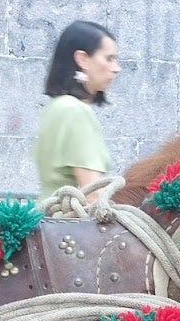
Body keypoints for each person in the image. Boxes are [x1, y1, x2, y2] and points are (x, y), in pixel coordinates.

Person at [33, 20, 121, 199]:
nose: (116, 68)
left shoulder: (57, 106)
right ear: (82, 59)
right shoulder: (76, 111)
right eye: (109, 59)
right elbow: (92, 193)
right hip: (69, 215)